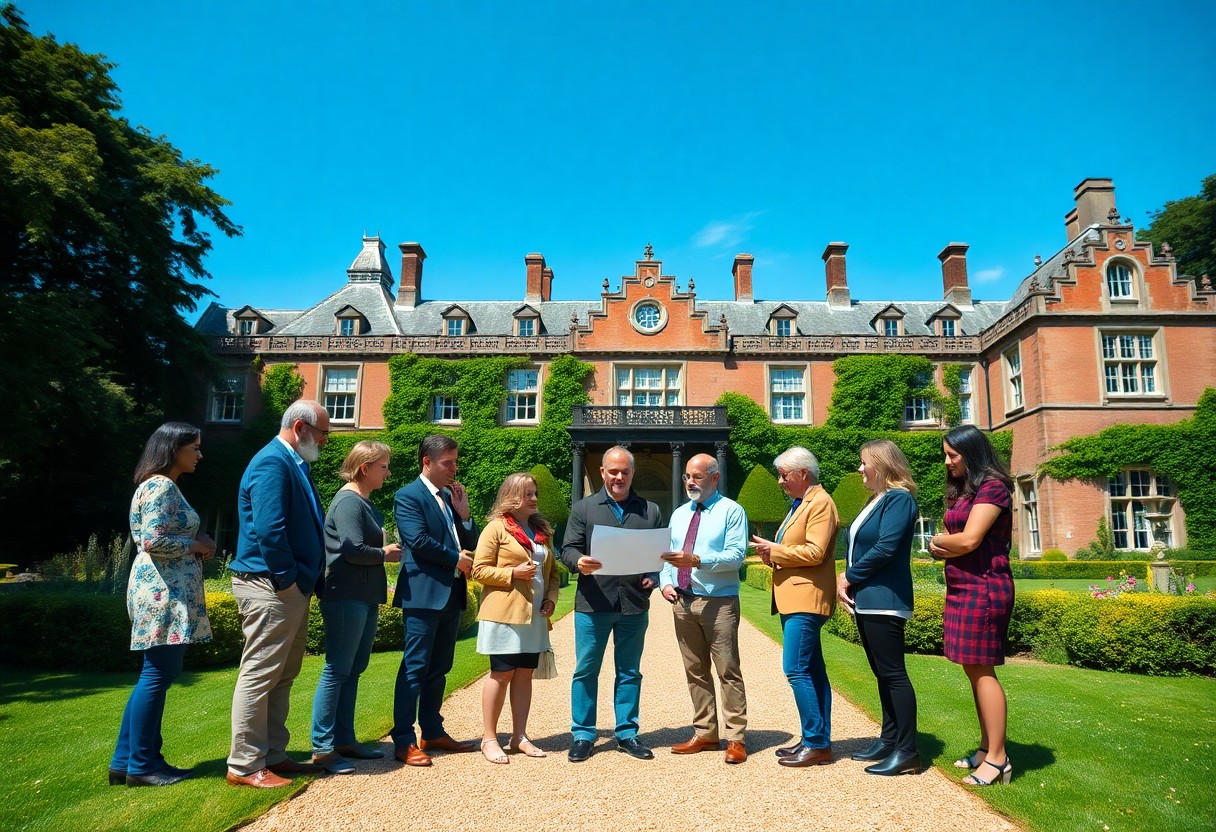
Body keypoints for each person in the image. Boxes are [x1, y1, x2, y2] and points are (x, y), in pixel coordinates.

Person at [226, 400, 330, 789]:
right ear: (300, 427)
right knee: (260, 673)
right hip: (269, 586)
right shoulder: (272, 462)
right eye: (322, 433)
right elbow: (270, 529)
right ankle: (244, 765)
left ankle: (272, 755)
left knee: (283, 674)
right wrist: (287, 579)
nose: (325, 440)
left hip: (284, 587)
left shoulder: (292, 463)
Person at [110, 423, 215, 787]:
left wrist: (195, 542)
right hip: (163, 592)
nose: (200, 455)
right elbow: (154, 541)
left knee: (155, 674)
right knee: (157, 675)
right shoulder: (161, 486)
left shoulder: (156, 485)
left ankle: (127, 761)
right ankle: (141, 766)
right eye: (194, 448)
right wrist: (196, 545)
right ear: (173, 449)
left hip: (160, 588)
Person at [560, 446, 663, 763]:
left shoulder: (650, 511)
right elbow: (567, 549)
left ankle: (627, 733)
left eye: (625, 472)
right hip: (593, 603)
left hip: (634, 603)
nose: (619, 477)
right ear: (603, 472)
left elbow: (658, 556)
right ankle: (583, 734)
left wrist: (653, 576)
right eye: (613, 471)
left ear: (632, 473)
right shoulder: (584, 508)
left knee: (630, 672)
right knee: (586, 670)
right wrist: (579, 561)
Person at [928, 424, 1015, 787]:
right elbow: (958, 540)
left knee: (982, 671)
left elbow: (968, 541)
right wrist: (946, 543)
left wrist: (937, 542)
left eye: (953, 455)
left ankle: (998, 759)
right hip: (963, 585)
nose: (948, 462)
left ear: (972, 452)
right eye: (946, 455)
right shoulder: (968, 491)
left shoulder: (994, 487)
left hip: (985, 587)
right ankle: (985, 748)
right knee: (972, 669)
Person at [309, 441, 402, 773]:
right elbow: (351, 549)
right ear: (365, 468)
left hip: (361, 595)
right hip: (345, 594)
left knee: (353, 668)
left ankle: (344, 739)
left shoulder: (362, 501)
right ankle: (323, 747)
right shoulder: (349, 501)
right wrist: (384, 554)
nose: (388, 473)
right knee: (338, 668)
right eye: (383, 467)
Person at [389, 434, 480, 766]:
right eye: (448, 463)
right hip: (423, 595)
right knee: (414, 668)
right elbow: (417, 540)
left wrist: (465, 515)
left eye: (455, 462)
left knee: (440, 668)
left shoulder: (447, 498)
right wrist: (456, 559)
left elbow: (469, 541)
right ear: (426, 462)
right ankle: (403, 740)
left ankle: (432, 731)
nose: (454, 469)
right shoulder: (408, 496)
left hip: (450, 593)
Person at [836, 440, 921, 776]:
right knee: (882, 674)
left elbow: (886, 548)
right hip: (870, 598)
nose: (859, 468)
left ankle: (907, 751)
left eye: (864, 462)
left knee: (893, 674)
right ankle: (889, 740)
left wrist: (848, 577)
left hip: (885, 599)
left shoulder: (899, 498)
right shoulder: (878, 499)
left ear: (883, 464)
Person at [750, 446, 839, 768]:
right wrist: (772, 554)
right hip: (796, 597)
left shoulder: (821, 503)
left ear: (803, 473)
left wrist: (775, 551)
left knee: (796, 669)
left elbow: (815, 552)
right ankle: (815, 738)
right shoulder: (801, 503)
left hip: (806, 599)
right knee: (812, 670)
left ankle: (816, 743)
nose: (779, 481)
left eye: (783, 475)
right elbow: (797, 549)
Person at [660, 454, 750, 764]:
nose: (690, 482)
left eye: (697, 476)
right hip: (682, 600)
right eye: (687, 476)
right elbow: (668, 556)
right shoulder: (679, 513)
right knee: (695, 671)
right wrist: (665, 582)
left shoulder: (732, 511)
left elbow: (736, 555)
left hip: (718, 601)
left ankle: (736, 738)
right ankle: (706, 733)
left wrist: (698, 561)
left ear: (715, 478)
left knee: (728, 670)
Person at [472, 473, 560, 764]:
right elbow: (479, 570)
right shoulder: (496, 528)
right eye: (527, 494)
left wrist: (551, 599)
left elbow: (554, 573)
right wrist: (512, 573)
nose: (534, 499)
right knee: (501, 674)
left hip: (533, 617)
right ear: (511, 497)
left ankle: (519, 736)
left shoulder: (541, 530)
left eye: (535, 493)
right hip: (504, 615)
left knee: (524, 674)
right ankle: (489, 739)